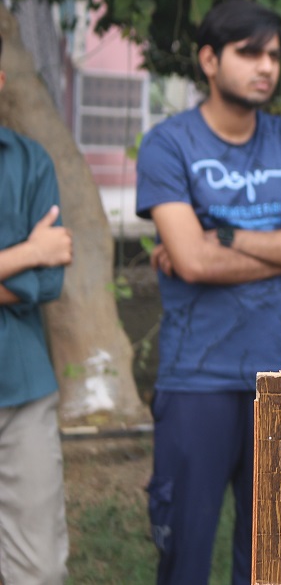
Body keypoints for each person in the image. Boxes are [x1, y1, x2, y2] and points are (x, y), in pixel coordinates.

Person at [135, 0, 281, 585]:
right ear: (208, 59)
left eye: (272, 54)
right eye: (249, 53)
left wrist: (225, 235)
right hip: (196, 379)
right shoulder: (169, 144)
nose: (266, 66)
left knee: (275, 563)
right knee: (184, 560)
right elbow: (193, 263)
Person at [0, 34, 73, 585]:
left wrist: (36, 265)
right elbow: (37, 265)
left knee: (39, 570)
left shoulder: (30, 162)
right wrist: (24, 254)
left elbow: (49, 281)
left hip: (20, 385)